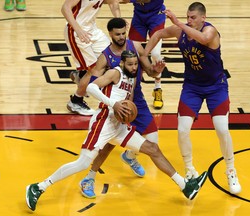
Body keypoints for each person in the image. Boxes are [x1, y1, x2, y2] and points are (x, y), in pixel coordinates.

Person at [26, 50, 208, 211]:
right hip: (103, 121)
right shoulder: (115, 72)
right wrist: (114, 104)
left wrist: (127, 112)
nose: (134, 66)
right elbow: (91, 87)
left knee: (153, 148)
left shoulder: (132, 78)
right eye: (130, 64)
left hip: (119, 126)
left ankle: (185, 186)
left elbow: (127, 101)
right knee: (82, 163)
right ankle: (38, 187)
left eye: (136, 63)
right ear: (122, 63)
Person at [143, 2, 242, 194]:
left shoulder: (210, 31)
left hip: (216, 87)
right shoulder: (181, 30)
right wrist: (144, 56)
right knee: (182, 131)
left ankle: (230, 170)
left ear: (203, 18)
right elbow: (157, 34)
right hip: (192, 87)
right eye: (187, 17)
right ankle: (189, 170)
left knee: (222, 129)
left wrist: (179, 23)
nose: (189, 20)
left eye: (193, 17)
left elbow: (204, 40)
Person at [79, 17, 161, 199]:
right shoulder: (105, 57)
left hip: (136, 100)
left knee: (153, 140)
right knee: (107, 146)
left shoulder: (136, 47)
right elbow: (94, 84)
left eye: (124, 33)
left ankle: (130, 156)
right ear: (110, 34)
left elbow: (150, 71)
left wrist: (157, 70)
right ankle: (90, 177)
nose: (122, 37)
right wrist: (83, 85)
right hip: (116, 105)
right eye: (118, 34)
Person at [62, 0, 121, 116]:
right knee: (95, 69)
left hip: (92, 29)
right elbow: (65, 8)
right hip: (76, 31)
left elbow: (113, 2)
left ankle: (81, 77)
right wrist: (78, 30)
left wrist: (119, 21)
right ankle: (76, 101)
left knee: (110, 57)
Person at [121, 0, 166, 109]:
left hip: (156, 15)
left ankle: (157, 88)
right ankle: (131, 90)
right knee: (131, 53)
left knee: (155, 53)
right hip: (139, 15)